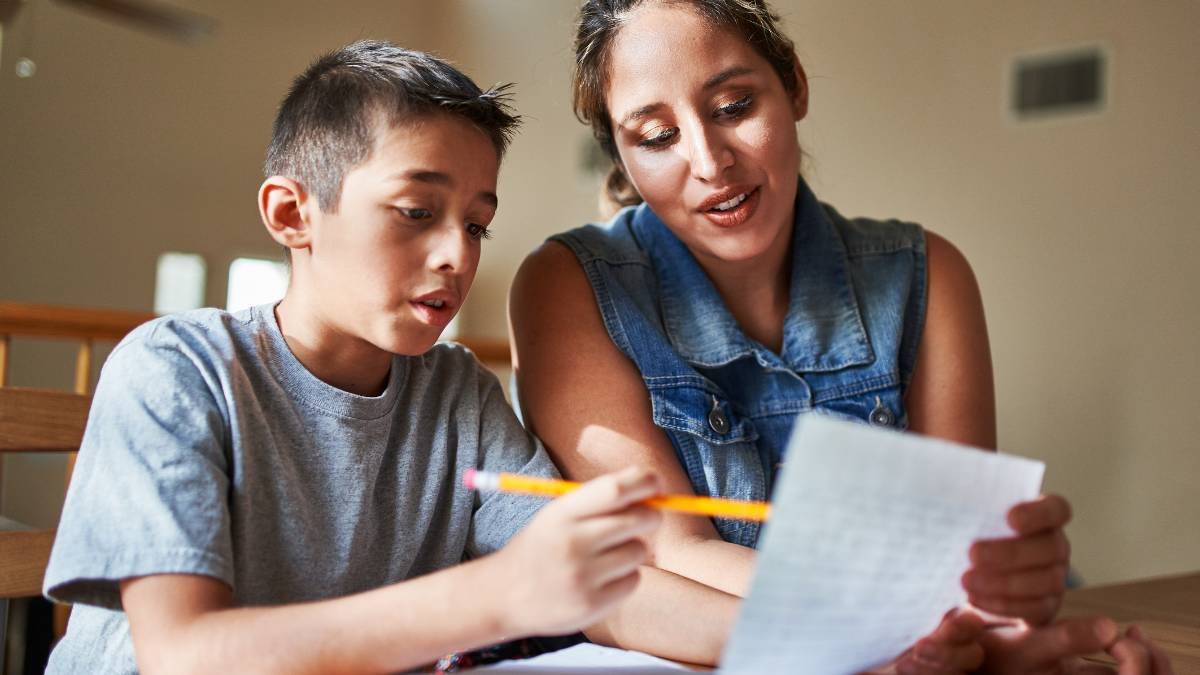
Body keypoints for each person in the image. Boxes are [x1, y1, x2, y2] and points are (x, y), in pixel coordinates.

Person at [508, 1, 1173, 672]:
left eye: (735, 106)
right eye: (656, 136)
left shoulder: (928, 274)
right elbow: (669, 551)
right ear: (619, 151)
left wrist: (1003, 594)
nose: (709, 162)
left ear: (794, 85)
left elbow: (963, 567)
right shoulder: (567, 285)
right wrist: (900, 632)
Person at [41, 40, 663, 674]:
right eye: (417, 211)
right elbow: (184, 655)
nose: (458, 254)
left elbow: (606, 594)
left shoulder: (459, 395)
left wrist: (766, 625)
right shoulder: (175, 369)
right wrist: (498, 593)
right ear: (292, 214)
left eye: (477, 224)